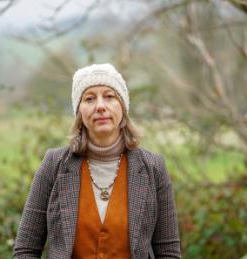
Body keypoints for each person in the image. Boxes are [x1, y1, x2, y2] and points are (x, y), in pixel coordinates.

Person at [13, 63, 181, 259]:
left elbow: (168, 252)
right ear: (79, 111)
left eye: (110, 96)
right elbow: (26, 250)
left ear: (123, 107)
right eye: (89, 98)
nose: (100, 106)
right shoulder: (54, 164)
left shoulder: (153, 167)